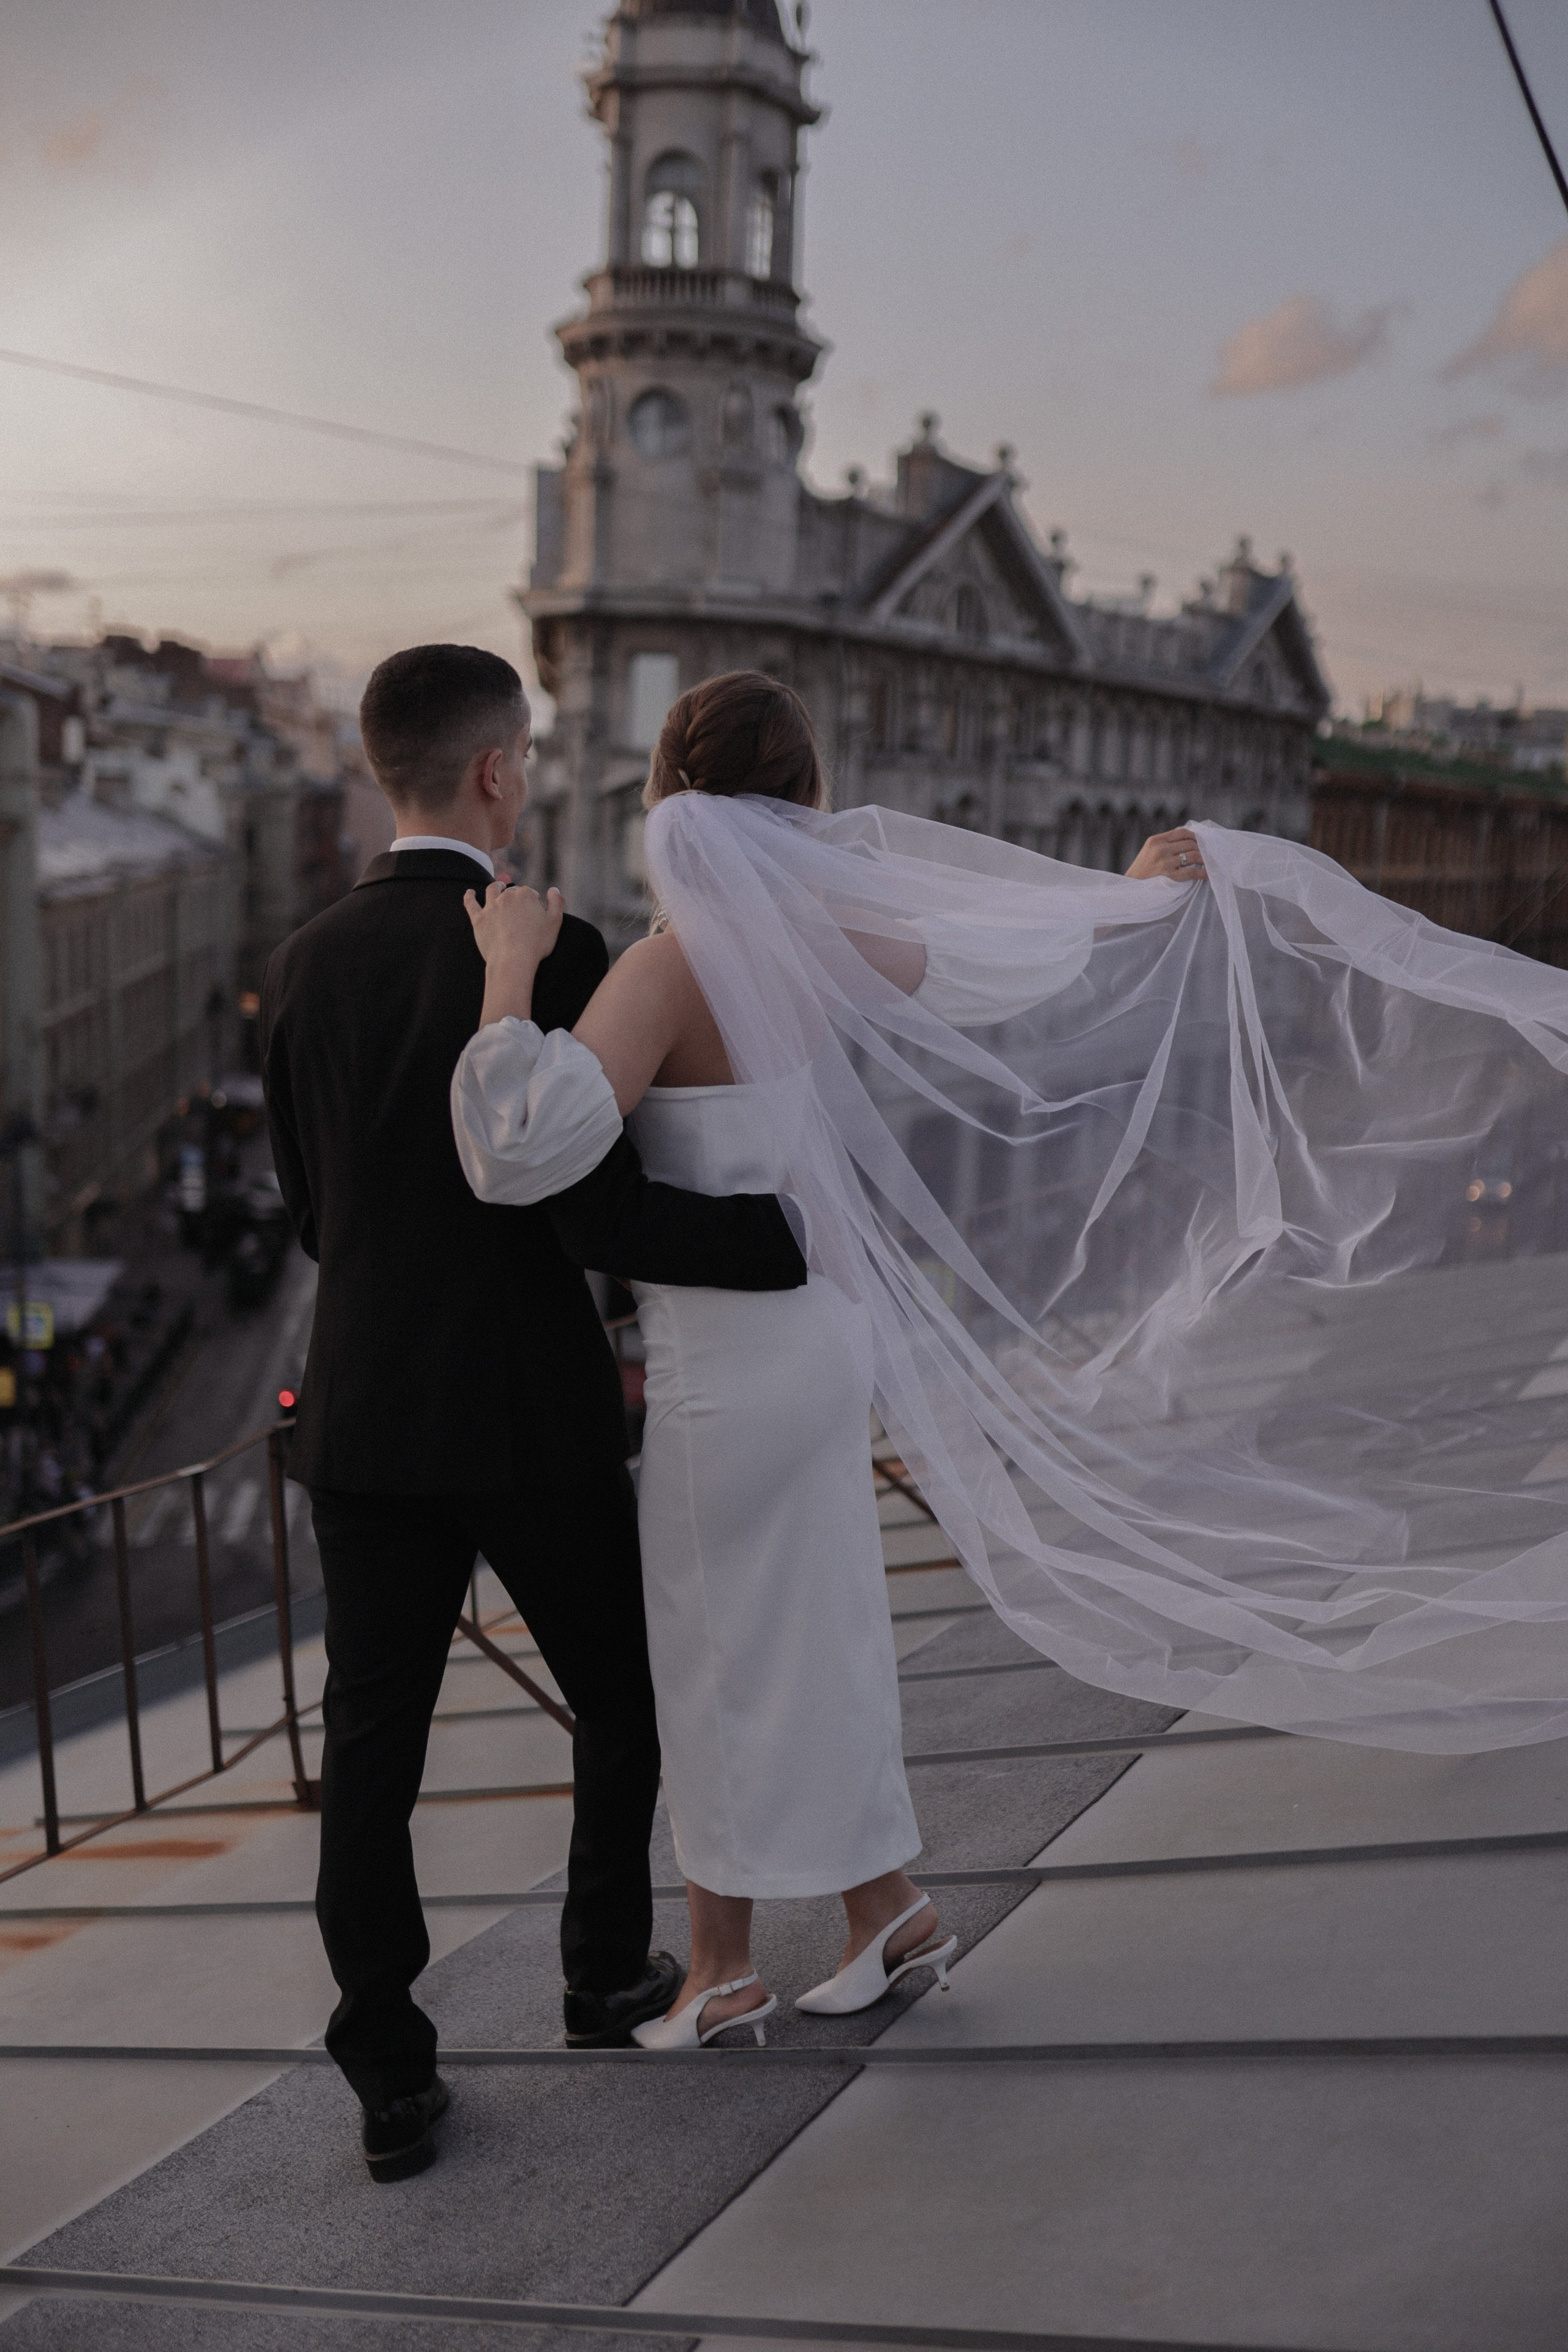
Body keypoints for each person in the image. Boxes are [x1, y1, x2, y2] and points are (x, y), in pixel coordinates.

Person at [450, 670, 1207, 2047]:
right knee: (820, 1637)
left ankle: (721, 1973)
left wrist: (506, 976)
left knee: (714, 1657)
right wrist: (1128, 890)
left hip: (723, 1365)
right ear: (802, 803)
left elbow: (520, 1146)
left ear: (665, 804)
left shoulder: (668, 968)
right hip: (819, 1337)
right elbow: (1008, 962)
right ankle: (881, 1914)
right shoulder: (829, 942)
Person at [260, 647, 809, 2176]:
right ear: (500, 772)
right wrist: (792, 1238)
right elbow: (598, 1210)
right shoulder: (552, 956)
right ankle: (597, 1972)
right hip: (527, 1417)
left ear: (388, 769)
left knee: (370, 1757)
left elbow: (310, 1213)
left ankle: (386, 2072)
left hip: (363, 1423)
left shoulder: (300, 963)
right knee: (623, 1702)